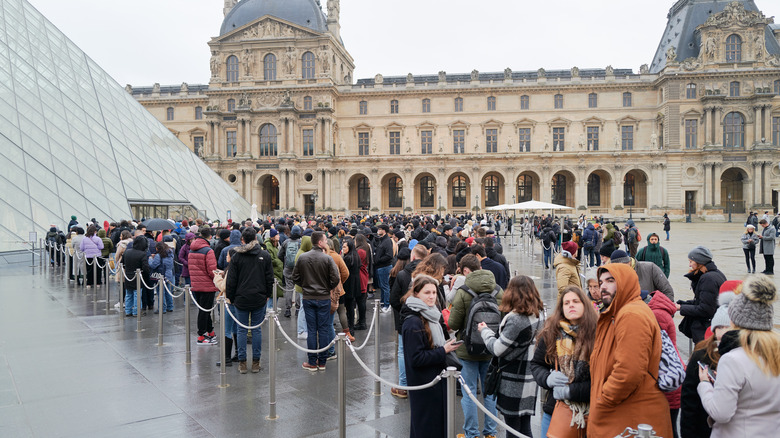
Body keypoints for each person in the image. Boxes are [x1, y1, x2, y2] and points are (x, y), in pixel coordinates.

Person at [588, 264, 673, 438]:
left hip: (629, 414)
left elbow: (628, 372)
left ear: (625, 283)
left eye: (611, 281)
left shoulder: (631, 315)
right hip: (625, 411)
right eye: (601, 281)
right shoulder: (620, 312)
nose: (603, 286)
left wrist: (604, 400)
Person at [697, 275, 780, 437]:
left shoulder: (733, 359)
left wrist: (705, 385)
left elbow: (721, 413)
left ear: (735, 320)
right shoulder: (774, 353)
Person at [479, 276, 546, 438]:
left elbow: (497, 348)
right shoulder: (539, 315)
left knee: (513, 429)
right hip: (530, 378)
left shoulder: (516, 320)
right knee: (524, 426)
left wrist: (485, 331)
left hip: (513, 380)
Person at [531, 285, 595, 438]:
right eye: (566, 303)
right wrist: (547, 378)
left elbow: (602, 380)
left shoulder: (598, 334)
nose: (571, 305)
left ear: (585, 305)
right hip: (557, 410)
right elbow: (536, 364)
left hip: (592, 411)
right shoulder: (552, 333)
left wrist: (571, 391)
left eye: (575, 301)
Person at [448, 264, 504, 438]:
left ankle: (471, 433)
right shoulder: (498, 291)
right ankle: (490, 432)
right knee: (490, 393)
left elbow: (453, 324)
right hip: (491, 347)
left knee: (469, 392)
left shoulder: (464, 291)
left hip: (467, 349)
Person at [401, 275, 459, 438]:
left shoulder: (431, 315)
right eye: (427, 292)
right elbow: (416, 358)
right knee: (426, 427)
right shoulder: (413, 322)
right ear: (417, 294)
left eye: (434, 292)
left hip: (435, 381)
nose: (432, 296)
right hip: (424, 384)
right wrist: (444, 350)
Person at [680, 281, 740, 438]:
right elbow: (689, 401)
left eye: (728, 328)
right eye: (719, 328)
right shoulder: (702, 354)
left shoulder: (745, 357)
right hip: (703, 428)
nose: (723, 333)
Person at [225, 228, 274, 374]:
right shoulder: (264, 255)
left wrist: (231, 297)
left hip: (241, 298)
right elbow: (269, 278)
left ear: (242, 240)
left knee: (241, 329)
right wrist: (267, 294)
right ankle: (256, 362)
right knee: (256, 329)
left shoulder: (237, 257)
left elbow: (231, 281)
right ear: (256, 238)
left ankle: (242, 362)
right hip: (259, 297)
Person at [293, 231, 340, 371]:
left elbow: (295, 277)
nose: (326, 242)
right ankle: (322, 361)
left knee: (312, 330)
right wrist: (327, 288)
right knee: (323, 329)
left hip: (309, 297)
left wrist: (306, 286)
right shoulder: (327, 259)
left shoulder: (303, 257)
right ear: (320, 242)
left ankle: (312, 362)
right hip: (323, 297)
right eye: (325, 240)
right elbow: (335, 279)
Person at [389, 244, 428, 398]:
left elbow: (393, 299)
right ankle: (422, 383)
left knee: (403, 350)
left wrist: (404, 309)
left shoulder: (403, 274)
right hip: (426, 318)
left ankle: (404, 385)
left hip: (405, 319)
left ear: (412, 256)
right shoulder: (430, 274)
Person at [678, 246, 726, 344]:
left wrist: (681, 308)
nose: (690, 265)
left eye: (691, 261)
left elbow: (705, 309)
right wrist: (683, 304)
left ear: (699, 262)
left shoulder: (708, 278)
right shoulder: (716, 274)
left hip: (705, 329)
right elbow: (705, 301)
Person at [188, 227, 219, 345]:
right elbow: (212, 270)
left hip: (196, 284)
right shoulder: (208, 250)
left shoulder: (192, 249)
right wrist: (217, 278)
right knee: (204, 311)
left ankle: (210, 331)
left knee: (204, 309)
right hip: (207, 285)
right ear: (210, 237)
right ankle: (201, 335)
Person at [609, 250, 675, 300]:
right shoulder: (611, 277)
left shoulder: (650, 268)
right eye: (617, 269)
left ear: (629, 262)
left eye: (623, 267)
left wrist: (665, 313)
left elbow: (668, 292)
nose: (621, 271)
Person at [122, 236, 151, 317]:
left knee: (128, 294)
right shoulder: (142, 254)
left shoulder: (127, 252)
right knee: (137, 295)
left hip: (128, 275)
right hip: (138, 276)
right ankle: (136, 311)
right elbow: (145, 267)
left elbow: (122, 263)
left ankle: (128, 311)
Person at [280, 225, 302, 317]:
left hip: (288, 268)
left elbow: (279, 254)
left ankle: (288, 309)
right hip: (298, 269)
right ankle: (297, 308)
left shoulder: (286, 242)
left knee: (289, 288)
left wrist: (285, 261)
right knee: (297, 288)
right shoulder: (300, 243)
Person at [374, 224, 394, 312]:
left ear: (384, 231)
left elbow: (389, 255)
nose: (378, 230)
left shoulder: (387, 241)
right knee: (383, 286)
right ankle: (383, 304)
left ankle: (386, 304)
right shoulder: (382, 240)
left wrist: (378, 260)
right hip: (381, 267)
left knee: (385, 286)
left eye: (380, 229)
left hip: (385, 266)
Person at [150, 241, 174, 314]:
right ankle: (170, 306)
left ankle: (162, 308)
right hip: (169, 274)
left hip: (161, 275)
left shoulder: (158, 255)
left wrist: (150, 259)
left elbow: (154, 265)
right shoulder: (170, 254)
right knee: (168, 291)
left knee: (160, 292)